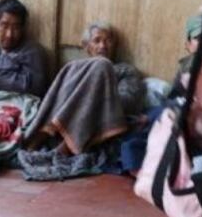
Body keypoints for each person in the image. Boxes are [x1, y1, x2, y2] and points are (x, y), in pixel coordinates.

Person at [23, 21, 144, 155]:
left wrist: (98, 93)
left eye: (108, 41)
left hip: (104, 120)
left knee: (102, 65)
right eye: (97, 41)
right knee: (79, 68)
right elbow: (59, 96)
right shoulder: (75, 68)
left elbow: (129, 102)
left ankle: (64, 149)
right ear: (86, 46)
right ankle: (39, 139)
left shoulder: (125, 70)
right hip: (65, 120)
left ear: (114, 45)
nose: (103, 46)